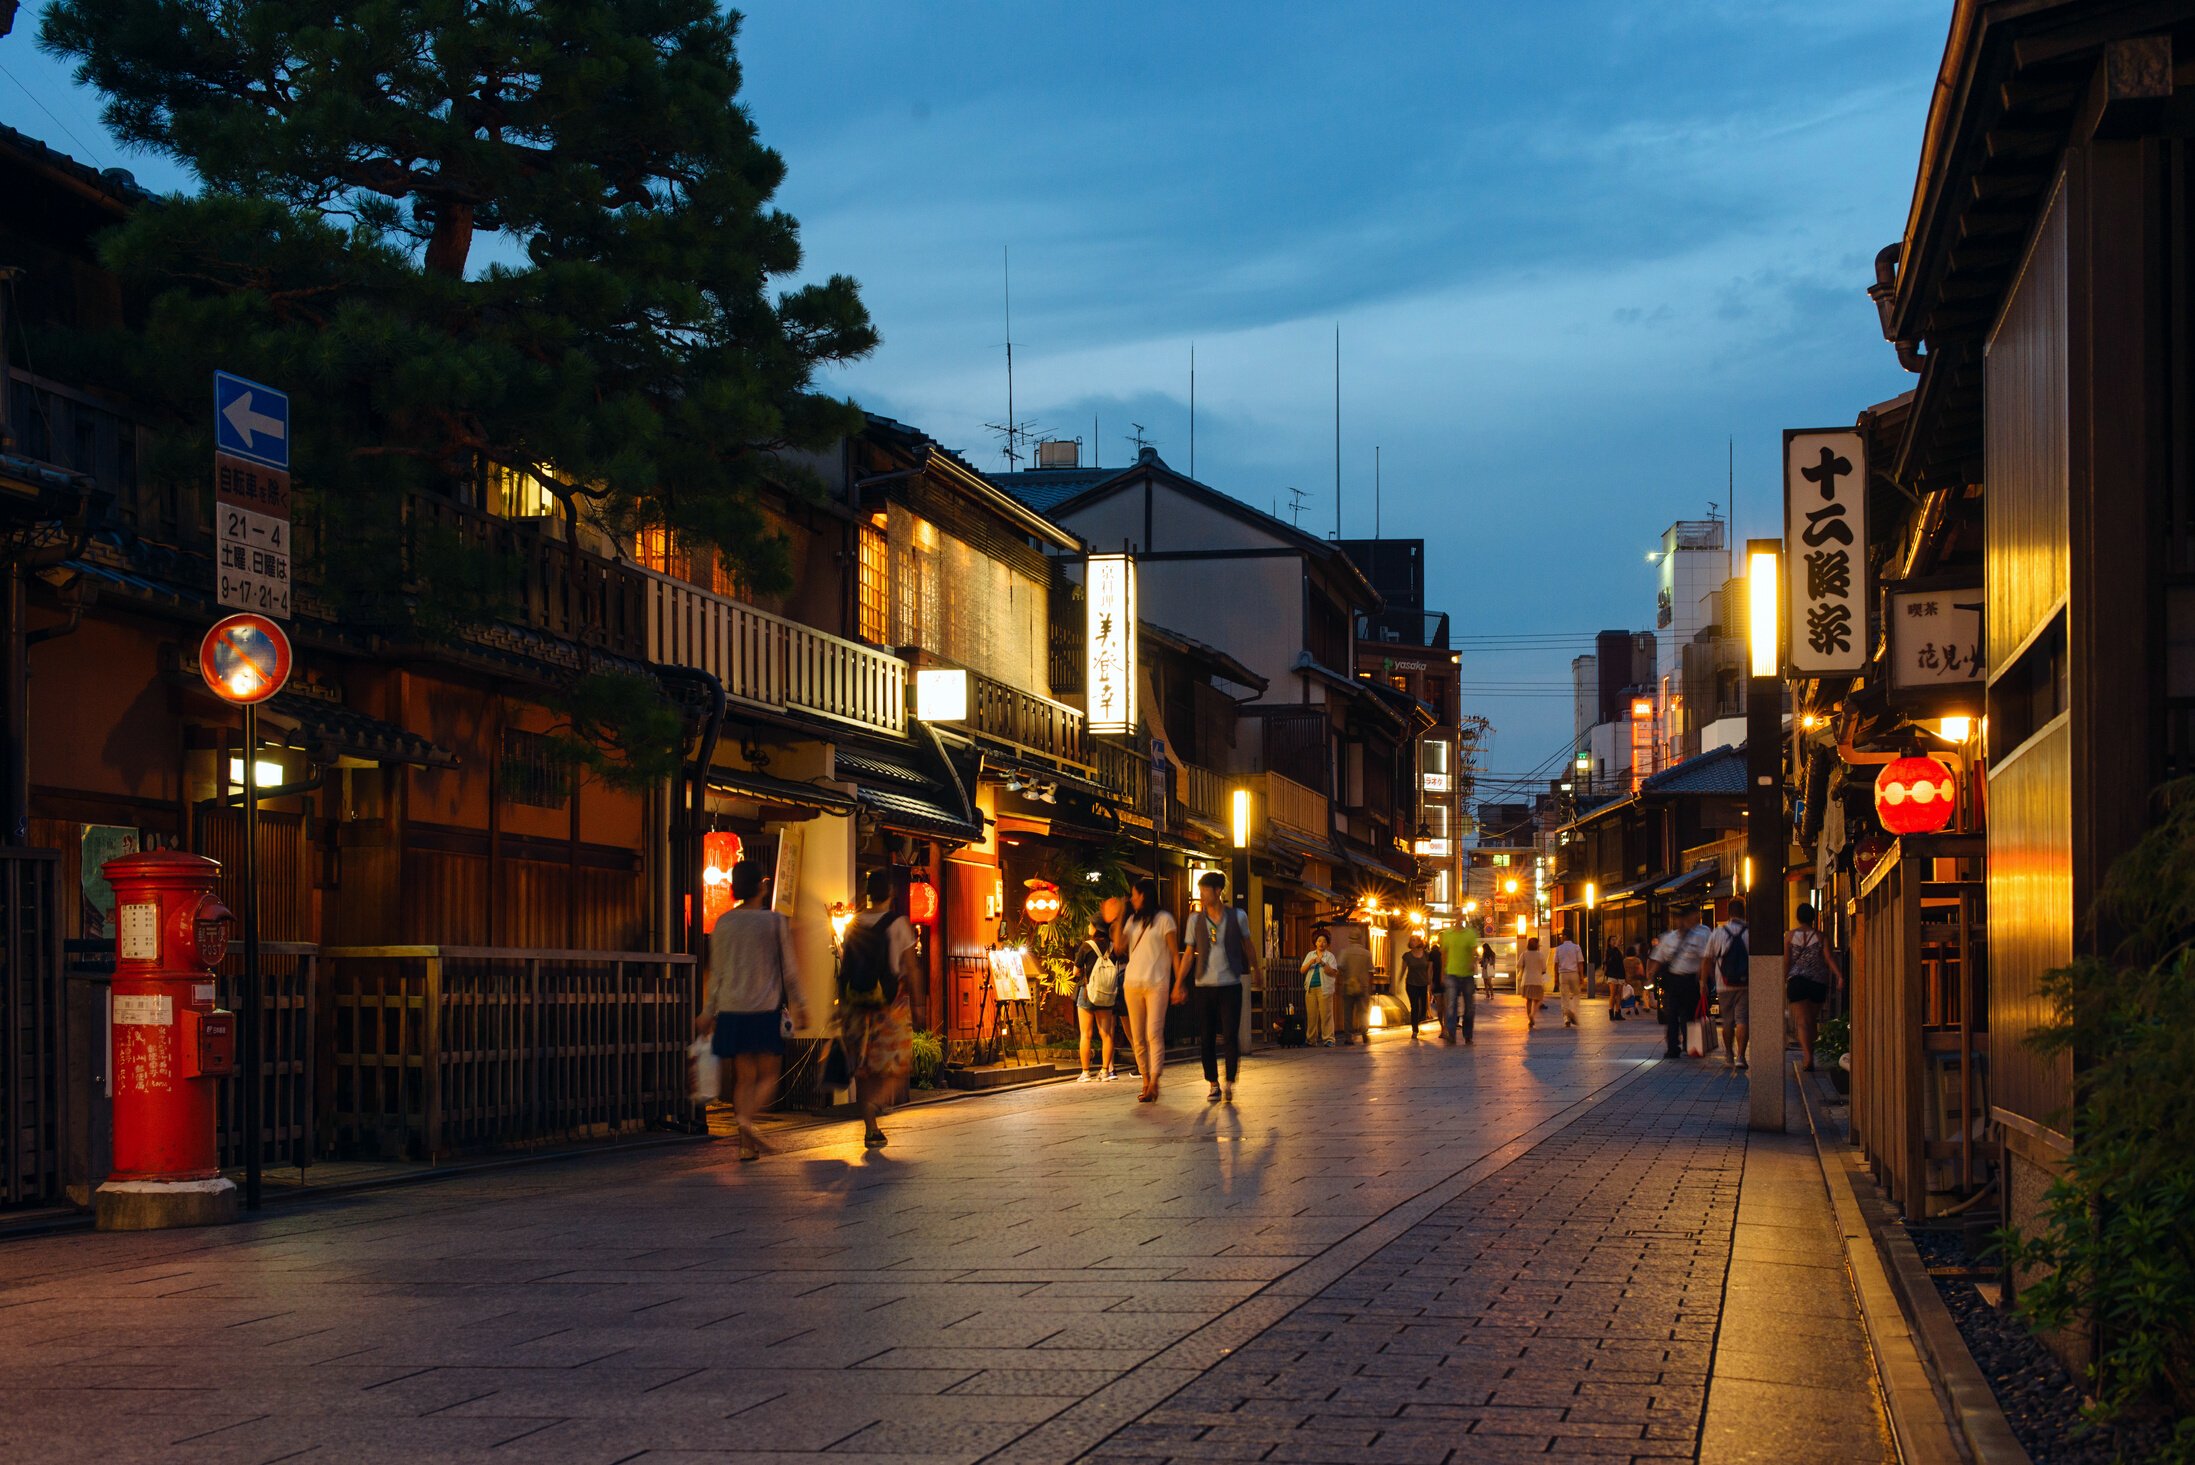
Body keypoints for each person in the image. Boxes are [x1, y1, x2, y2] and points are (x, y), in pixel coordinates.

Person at [697, 862, 805, 1162]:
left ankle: (746, 1145)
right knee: (769, 1073)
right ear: (762, 885)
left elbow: (716, 972)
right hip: (762, 1008)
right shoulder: (773, 922)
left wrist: (708, 1012)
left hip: (731, 1010)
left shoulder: (724, 923)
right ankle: (746, 1120)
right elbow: (789, 969)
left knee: (744, 1077)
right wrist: (803, 1005)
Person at [838, 868, 923, 1148]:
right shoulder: (898, 923)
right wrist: (920, 1003)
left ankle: (871, 1127)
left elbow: (845, 966)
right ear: (891, 893)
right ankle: (876, 1102)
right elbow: (910, 966)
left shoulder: (853, 924)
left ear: (868, 893)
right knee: (896, 1063)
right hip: (890, 1004)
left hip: (857, 1003)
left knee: (864, 1067)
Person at [1177, 870, 1261, 1103]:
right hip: (1203, 984)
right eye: (1200, 890)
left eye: (1204, 890)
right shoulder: (1195, 920)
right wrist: (1179, 983)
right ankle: (1213, 1082)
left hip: (1230, 984)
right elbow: (1188, 955)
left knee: (1230, 1035)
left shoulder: (1238, 916)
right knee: (1206, 1036)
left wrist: (1256, 971)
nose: (1201, 895)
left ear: (1217, 891)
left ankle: (1230, 1082)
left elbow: (1248, 945)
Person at [1114, 878, 1181, 1103]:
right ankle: (1145, 1080)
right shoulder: (1132, 921)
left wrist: (1178, 983)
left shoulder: (1165, 920)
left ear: (1144, 895)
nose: (1132, 899)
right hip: (1132, 983)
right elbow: (1118, 947)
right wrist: (1119, 917)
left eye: (1134, 895)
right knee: (1138, 1036)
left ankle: (1155, 1081)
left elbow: (1174, 953)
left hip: (1157, 983)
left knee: (1154, 1033)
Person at [1786, 903, 1846, 1071]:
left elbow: (1786, 962)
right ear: (1813, 917)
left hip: (1797, 981)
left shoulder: (1790, 937)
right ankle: (1810, 1053)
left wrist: (1782, 979)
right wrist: (1839, 976)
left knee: (1802, 1022)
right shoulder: (1821, 937)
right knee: (1811, 1020)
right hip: (1818, 983)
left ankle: (1807, 1056)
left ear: (1798, 917)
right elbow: (1828, 958)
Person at [1647, 906, 1712, 1059]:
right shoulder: (1668, 938)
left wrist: (1703, 981)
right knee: (1671, 1015)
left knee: (1689, 1015)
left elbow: (1705, 960)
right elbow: (1658, 958)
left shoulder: (1698, 936)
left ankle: (1690, 1044)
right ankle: (1672, 1047)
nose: (1680, 922)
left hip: (1690, 980)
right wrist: (1651, 975)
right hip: (1673, 980)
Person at [1703, 898, 1751, 1072]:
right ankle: (1741, 1057)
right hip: (1745, 983)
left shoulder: (1718, 932)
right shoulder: (1749, 932)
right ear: (1744, 912)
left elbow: (1708, 959)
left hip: (1724, 983)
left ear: (1729, 913)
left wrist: (1704, 981)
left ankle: (1729, 1055)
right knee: (1743, 1019)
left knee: (1728, 1021)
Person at [1073, 916, 1120, 1082]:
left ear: (1096, 928)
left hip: (1087, 992)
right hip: (1106, 994)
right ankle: (1105, 1071)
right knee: (1106, 1033)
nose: (1088, 926)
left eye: (1090, 924)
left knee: (1086, 1033)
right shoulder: (1113, 947)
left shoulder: (1087, 946)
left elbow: (1076, 972)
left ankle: (1085, 1073)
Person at [1435, 921, 1479, 1044]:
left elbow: (1474, 952)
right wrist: (1443, 974)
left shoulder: (1470, 934)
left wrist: (1472, 961)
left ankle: (1468, 1034)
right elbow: (1444, 954)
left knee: (1469, 1007)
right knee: (1451, 1005)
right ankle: (1451, 1034)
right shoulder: (1448, 934)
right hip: (1451, 973)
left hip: (1467, 975)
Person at [1299, 930, 1338, 1046]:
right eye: (1319, 941)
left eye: (1324, 941)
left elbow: (1333, 972)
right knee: (1311, 1016)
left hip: (1324, 988)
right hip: (1311, 989)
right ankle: (1311, 1040)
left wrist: (1322, 963)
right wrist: (1311, 962)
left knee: (1326, 1015)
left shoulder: (1330, 956)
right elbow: (1302, 970)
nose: (1321, 943)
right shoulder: (1310, 955)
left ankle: (1329, 1039)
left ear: (1327, 944)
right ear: (1315, 942)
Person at [1335, 931, 1374, 1044]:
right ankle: (1364, 1030)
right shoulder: (1367, 954)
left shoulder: (1345, 953)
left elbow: (1340, 968)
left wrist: (1339, 985)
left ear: (1350, 939)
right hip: (1363, 986)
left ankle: (1348, 1037)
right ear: (1360, 939)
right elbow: (1371, 970)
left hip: (1348, 985)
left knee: (1348, 1012)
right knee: (1363, 1011)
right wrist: (1369, 985)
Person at [1400, 933, 1435, 1039]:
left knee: (1423, 1007)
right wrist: (1398, 980)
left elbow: (1429, 970)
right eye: (1411, 940)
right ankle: (1415, 1029)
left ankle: (1419, 1019)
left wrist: (1430, 982)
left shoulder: (1426, 955)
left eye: (1414, 940)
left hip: (1423, 983)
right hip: (1411, 983)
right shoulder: (1407, 955)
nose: (1412, 942)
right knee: (1414, 1006)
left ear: (1420, 942)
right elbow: (1403, 969)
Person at [1551, 928, 1586, 1029]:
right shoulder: (1576, 947)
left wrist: (1556, 978)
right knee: (1576, 994)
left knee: (1564, 996)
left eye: (1562, 935)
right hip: (1574, 973)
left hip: (1563, 974)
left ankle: (1566, 1017)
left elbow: (1556, 964)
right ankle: (1572, 1011)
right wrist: (1581, 976)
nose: (1561, 937)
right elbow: (1580, 963)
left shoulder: (1559, 948)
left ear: (1565, 936)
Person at [1517, 935, 1549, 1030]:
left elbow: (1518, 965)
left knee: (1529, 1000)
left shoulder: (1524, 954)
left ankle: (1530, 1019)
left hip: (1526, 980)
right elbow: (1544, 968)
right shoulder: (1540, 955)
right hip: (1537, 980)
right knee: (1538, 999)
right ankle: (1532, 1014)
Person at [1603, 938, 1628, 1021]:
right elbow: (1609, 961)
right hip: (1612, 974)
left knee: (1619, 994)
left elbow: (1622, 963)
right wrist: (1616, 947)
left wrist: (1625, 976)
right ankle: (1611, 1012)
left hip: (1620, 974)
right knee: (1613, 993)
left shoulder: (1619, 951)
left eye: (1615, 940)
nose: (1615, 941)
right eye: (1612, 940)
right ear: (1609, 942)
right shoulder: (1609, 951)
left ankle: (1618, 1012)